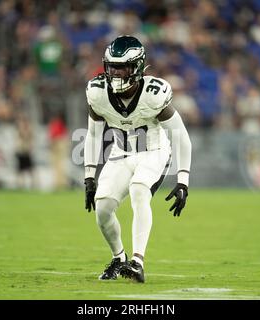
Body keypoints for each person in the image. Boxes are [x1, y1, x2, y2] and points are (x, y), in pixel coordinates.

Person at [83, 36, 192, 283]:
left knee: (139, 189)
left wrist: (183, 180)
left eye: (123, 67)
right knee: (102, 209)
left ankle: (137, 262)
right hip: (120, 154)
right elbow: (92, 133)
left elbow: (181, 136)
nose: (116, 73)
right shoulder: (97, 92)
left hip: (153, 151)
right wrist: (89, 176)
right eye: (112, 67)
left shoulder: (153, 94)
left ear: (138, 67)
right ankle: (119, 257)